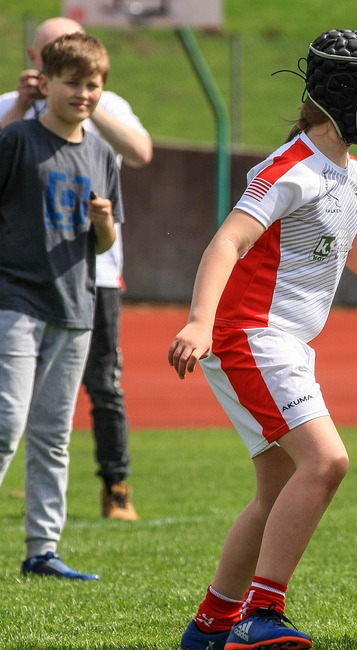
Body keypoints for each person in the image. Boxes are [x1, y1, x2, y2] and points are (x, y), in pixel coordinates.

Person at [169, 29, 357, 650]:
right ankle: (262, 613)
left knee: (278, 487)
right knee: (327, 462)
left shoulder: (352, 175)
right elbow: (227, 243)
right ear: (350, 99)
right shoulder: (290, 169)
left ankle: (215, 620)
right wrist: (198, 320)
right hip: (251, 336)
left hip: (283, 344)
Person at [0, 16, 153, 521]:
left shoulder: (103, 115)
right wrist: (25, 105)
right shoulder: (13, 118)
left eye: (92, 79)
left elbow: (140, 152)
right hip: (19, 282)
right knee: (9, 409)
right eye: (54, 59)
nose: (81, 87)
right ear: (36, 63)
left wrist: (93, 105)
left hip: (91, 279)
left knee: (99, 386)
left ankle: (116, 487)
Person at [0, 32, 120, 580]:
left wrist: (103, 224)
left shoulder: (101, 153)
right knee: (5, 423)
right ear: (45, 83)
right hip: (16, 301)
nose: (83, 94)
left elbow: (106, 244)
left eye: (92, 85)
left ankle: (41, 550)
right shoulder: (18, 140)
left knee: (53, 434)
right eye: (72, 83)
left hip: (75, 308)